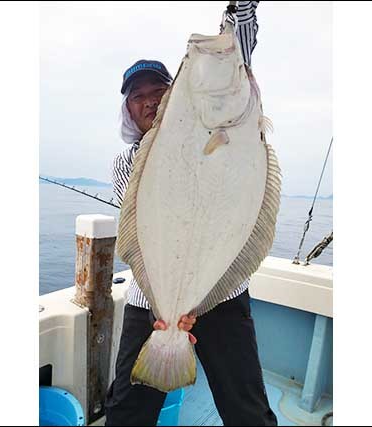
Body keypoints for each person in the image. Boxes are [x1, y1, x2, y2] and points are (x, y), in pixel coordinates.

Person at [105, 2, 277, 426]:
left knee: (247, 410)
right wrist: (168, 311)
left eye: (157, 91)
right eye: (137, 96)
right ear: (128, 110)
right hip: (153, 299)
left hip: (223, 287)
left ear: (174, 94)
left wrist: (239, 11)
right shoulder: (126, 164)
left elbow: (237, 44)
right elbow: (143, 237)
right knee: (126, 412)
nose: (148, 102)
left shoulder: (224, 124)